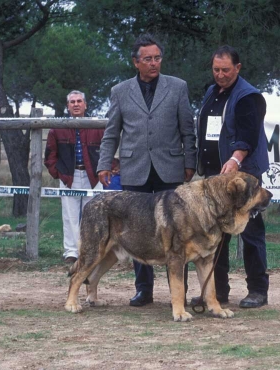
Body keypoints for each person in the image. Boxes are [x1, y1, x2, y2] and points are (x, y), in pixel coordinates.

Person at [97, 34, 196, 307]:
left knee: (178, 233)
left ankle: (180, 292)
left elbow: (188, 129)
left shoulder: (178, 87)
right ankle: (144, 289)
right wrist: (105, 163)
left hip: (171, 169)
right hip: (134, 169)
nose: (154, 63)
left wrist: (190, 163)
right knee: (138, 231)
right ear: (136, 62)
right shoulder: (120, 91)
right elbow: (111, 132)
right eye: (148, 59)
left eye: (157, 58)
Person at [192, 45, 270, 308]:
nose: (220, 75)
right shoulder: (211, 93)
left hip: (243, 176)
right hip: (215, 179)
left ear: (238, 68)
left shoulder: (249, 97)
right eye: (216, 69)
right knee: (215, 234)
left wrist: (236, 159)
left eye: (226, 70)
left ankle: (258, 290)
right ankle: (218, 291)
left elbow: (248, 135)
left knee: (250, 233)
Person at [44, 90, 104, 265]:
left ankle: (91, 251)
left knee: (93, 214)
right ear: (68, 106)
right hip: (69, 176)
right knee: (69, 215)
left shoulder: (98, 126)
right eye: (72, 102)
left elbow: (108, 149)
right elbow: (50, 154)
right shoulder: (58, 128)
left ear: (85, 104)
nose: (76, 104)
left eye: (79, 101)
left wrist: (105, 169)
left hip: (93, 176)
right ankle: (71, 252)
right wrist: (58, 173)